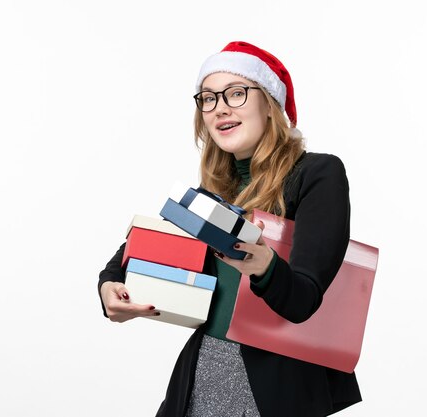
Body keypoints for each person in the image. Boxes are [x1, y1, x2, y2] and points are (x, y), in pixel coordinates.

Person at [98, 41, 361, 417]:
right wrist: (109, 287)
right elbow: (129, 258)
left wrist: (264, 266)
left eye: (236, 93)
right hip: (200, 380)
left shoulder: (318, 174)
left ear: (269, 104)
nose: (220, 107)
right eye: (207, 98)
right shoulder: (212, 194)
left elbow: (304, 300)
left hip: (274, 391)